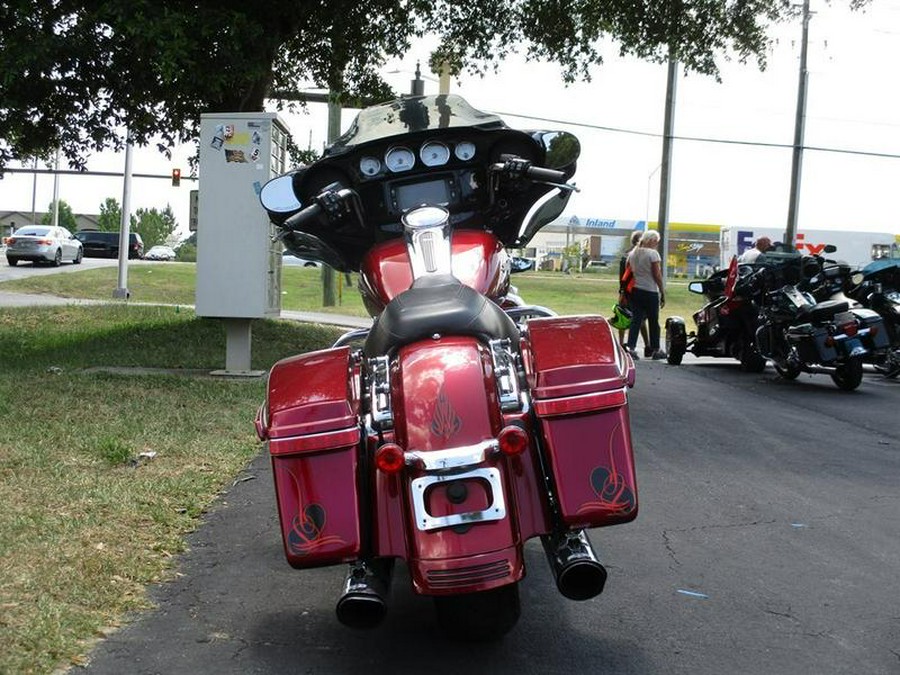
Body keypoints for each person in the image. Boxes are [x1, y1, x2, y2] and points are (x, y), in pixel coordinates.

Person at [625, 230, 666, 360]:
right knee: (654, 321)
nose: (656, 244)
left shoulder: (632, 254)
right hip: (650, 290)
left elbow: (628, 271)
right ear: (651, 240)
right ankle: (656, 349)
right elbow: (657, 274)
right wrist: (662, 290)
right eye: (656, 241)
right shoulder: (653, 254)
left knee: (636, 320)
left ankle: (631, 347)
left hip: (636, 290)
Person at [618, 230, 649, 352]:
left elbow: (621, 277)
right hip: (635, 291)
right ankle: (646, 345)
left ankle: (621, 344)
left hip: (626, 291)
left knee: (623, 317)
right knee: (640, 319)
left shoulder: (626, 255)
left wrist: (621, 292)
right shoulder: (636, 256)